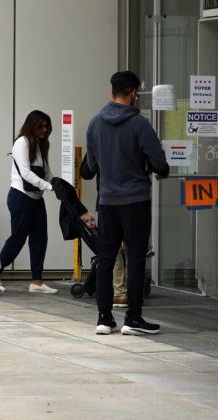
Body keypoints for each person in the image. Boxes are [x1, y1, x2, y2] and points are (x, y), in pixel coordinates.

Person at [86, 70, 169, 336]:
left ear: (111, 92)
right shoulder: (140, 124)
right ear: (134, 93)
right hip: (135, 201)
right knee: (135, 258)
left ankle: (103, 318)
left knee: (106, 259)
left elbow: (91, 164)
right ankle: (133, 319)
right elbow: (159, 162)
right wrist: (157, 169)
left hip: (107, 201)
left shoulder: (95, 123)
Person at [0, 110, 58, 294]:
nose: (45, 130)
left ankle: (37, 282)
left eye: (47, 126)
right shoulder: (21, 143)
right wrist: (48, 187)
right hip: (20, 197)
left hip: (36, 198)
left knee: (40, 238)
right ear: (31, 125)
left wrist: (58, 185)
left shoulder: (39, 145)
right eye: (41, 126)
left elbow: (46, 171)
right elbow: (25, 173)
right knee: (18, 238)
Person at [80, 153, 129, 308]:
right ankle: (125, 293)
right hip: (132, 198)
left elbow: (86, 172)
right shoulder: (133, 134)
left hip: (108, 199)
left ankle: (121, 293)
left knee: (114, 247)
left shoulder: (100, 140)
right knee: (125, 246)